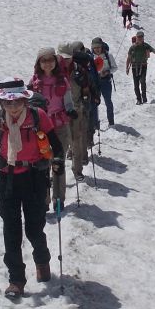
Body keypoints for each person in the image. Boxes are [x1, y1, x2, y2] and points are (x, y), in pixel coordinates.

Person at [0, 77, 65, 297]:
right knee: (11, 230)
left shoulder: (38, 116)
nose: (12, 107)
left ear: (25, 100)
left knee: (34, 228)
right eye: (7, 103)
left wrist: (58, 163)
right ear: (1, 103)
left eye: (16, 102)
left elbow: (57, 146)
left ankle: (42, 259)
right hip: (8, 180)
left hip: (35, 177)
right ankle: (16, 280)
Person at [29, 47, 74, 207]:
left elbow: (68, 101)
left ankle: (59, 199)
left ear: (56, 61)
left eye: (50, 59)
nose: (47, 63)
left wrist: (71, 110)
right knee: (42, 165)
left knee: (58, 162)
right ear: (39, 63)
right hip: (41, 129)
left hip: (60, 126)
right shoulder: (34, 83)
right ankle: (44, 198)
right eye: (44, 60)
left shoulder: (63, 80)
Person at [58, 42, 92, 181]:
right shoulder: (53, 71)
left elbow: (86, 89)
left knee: (76, 141)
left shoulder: (79, 70)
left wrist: (85, 103)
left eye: (68, 57)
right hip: (58, 113)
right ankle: (56, 174)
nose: (66, 60)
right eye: (63, 57)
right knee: (59, 145)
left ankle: (77, 170)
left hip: (76, 110)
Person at [125, 30, 155, 105]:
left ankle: (144, 98)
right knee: (136, 84)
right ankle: (139, 99)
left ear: (143, 38)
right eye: (139, 37)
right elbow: (129, 58)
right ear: (137, 38)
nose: (140, 38)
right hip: (135, 67)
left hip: (143, 66)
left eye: (141, 37)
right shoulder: (133, 47)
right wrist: (127, 67)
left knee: (142, 82)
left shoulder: (146, 46)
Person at [90, 37, 115, 127]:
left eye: (98, 47)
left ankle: (111, 122)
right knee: (95, 103)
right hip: (95, 84)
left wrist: (108, 72)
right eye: (95, 47)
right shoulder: (91, 57)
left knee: (108, 101)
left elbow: (114, 68)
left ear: (102, 47)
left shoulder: (108, 56)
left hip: (106, 82)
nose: (97, 49)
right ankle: (95, 124)